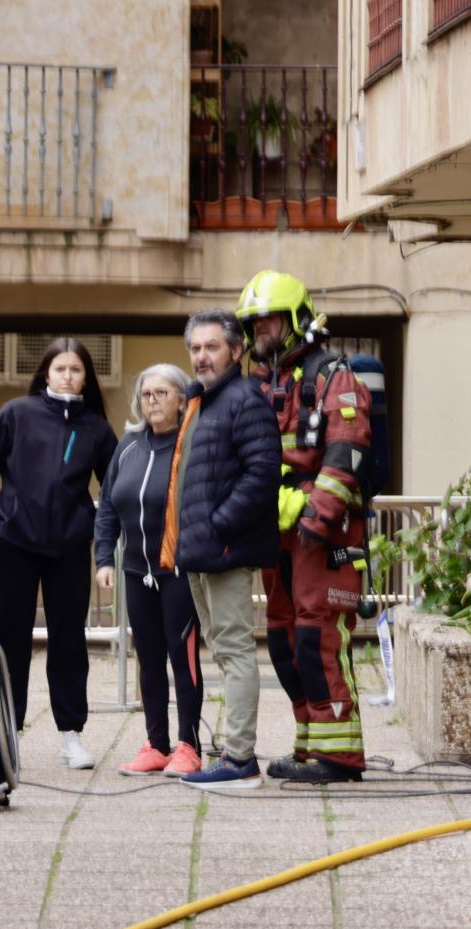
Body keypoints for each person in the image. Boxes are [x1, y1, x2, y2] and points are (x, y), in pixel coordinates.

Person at [240, 271, 373, 783]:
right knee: (283, 642)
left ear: (295, 319)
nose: (259, 332)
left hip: (325, 538)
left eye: (268, 321)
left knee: (319, 639)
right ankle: (309, 744)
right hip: (278, 536)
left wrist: (316, 516)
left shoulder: (333, 378)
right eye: (253, 324)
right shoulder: (262, 384)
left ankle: (340, 756)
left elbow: (347, 452)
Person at [0, 338, 117, 770]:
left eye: (76, 370)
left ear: (86, 378)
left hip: (70, 549)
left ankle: (71, 734)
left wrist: (94, 526)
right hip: (14, 544)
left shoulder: (96, 428)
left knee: (69, 641)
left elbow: (114, 486)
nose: (68, 376)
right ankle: (7, 732)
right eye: (60, 369)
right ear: (46, 374)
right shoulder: (18, 413)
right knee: (9, 640)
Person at [160, 308, 281, 792]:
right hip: (202, 551)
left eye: (211, 346)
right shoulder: (202, 402)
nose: (201, 356)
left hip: (225, 549)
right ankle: (233, 750)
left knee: (233, 651)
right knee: (224, 652)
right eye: (195, 348)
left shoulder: (244, 400)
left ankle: (239, 759)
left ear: (236, 350)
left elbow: (262, 474)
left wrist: (217, 525)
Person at [94, 363, 203, 777]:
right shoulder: (129, 446)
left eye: (161, 393)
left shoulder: (189, 445)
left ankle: (189, 746)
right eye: (145, 394)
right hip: (136, 571)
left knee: (183, 657)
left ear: (180, 399)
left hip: (178, 571)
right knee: (149, 658)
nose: (152, 401)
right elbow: (106, 507)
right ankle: (156, 744)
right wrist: (105, 558)